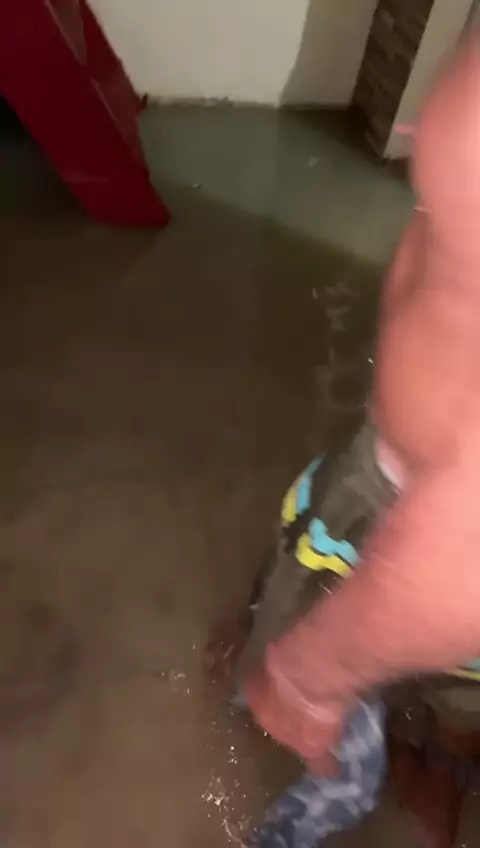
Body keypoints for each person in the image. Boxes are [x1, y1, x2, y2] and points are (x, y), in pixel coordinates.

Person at [209, 26, 480, 848]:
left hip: (421, 513)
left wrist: (311, 675)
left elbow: (462, 562)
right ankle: (441, 767)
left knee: (321, 590)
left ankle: (275, 656)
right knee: (463, 686)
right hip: (409, 464)